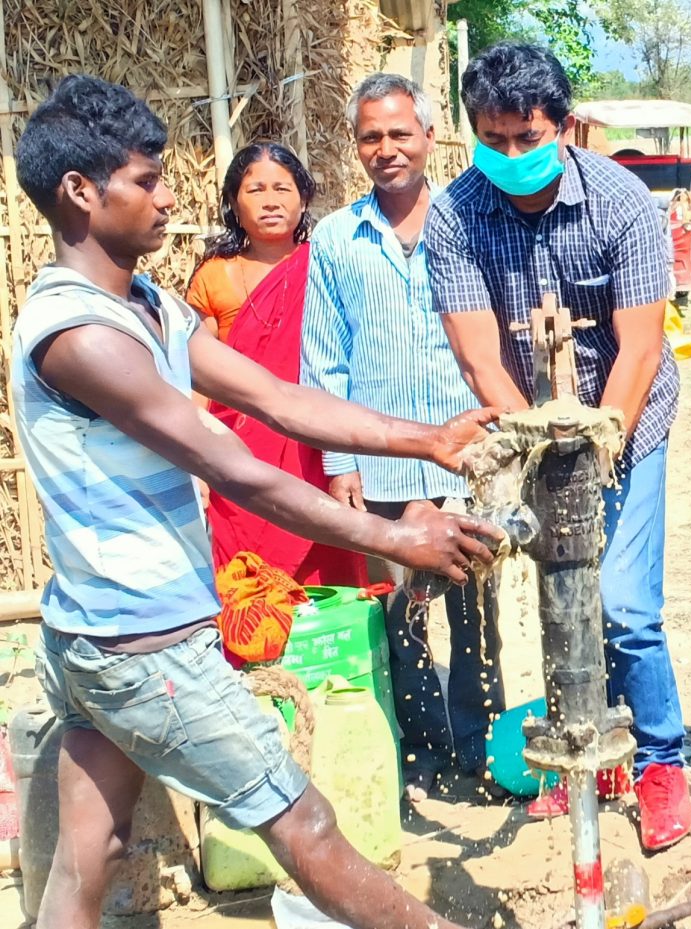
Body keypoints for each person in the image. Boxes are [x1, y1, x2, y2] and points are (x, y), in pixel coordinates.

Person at [12, 74, 499, 929]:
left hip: (94, 632)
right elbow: (238, 468)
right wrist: (392, 534)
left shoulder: (145, 303)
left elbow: (279, 397)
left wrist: (425, 439)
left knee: (91, 856)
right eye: (147, 180)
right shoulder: (80, 336)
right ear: (81, 193)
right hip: (144, 646)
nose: (170, 198)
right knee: (304, 823)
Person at [423, 43, 690, 852]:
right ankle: (583, 752)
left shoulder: (622, 204)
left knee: (622, 601)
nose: (510, 156)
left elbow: (639, 348)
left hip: (628, 420)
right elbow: (477, 356)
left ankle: (660, 760)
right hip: (528, 428)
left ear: (564, 125)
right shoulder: (455, 214)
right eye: (492, 139)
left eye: (527, 138)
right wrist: (541, 442)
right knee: (560, 590)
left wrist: (597, 444)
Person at [300, 72, 504, 802]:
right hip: (381, 464)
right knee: (401, 616)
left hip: (472, 455)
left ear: (428, 136)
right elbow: (324, 358)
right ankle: (420, 751)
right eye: (370, 136)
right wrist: (340, 460)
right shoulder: (335, 239)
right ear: (356, 146)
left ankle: (481, 750)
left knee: (474, 610)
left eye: (399, 133)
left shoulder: (475, 219)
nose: (386, 149)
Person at [186, 142, 367, 589]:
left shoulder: (326, 264)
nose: (271, 201)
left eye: (283, 189)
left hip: (317, 440)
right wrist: (196, 459)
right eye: (256, 189)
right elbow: (197, 378)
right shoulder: (215, 274)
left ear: (303, 199)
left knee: (328, 552)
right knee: (250, 571)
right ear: (234, 202)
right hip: (243, 450)